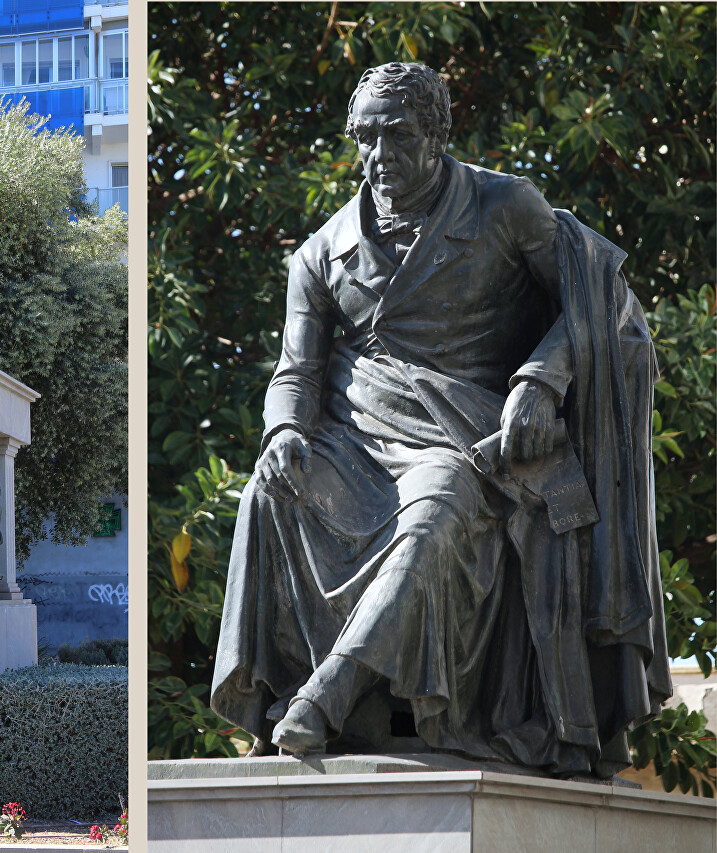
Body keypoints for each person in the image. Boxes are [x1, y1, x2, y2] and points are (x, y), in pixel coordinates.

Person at [210, 62, 670, 778]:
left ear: (436, 133)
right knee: (267, 494)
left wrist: (540, 382)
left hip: (465, 434)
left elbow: (597, 299)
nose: (377, 154)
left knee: (432, 512)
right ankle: (283, 703)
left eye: (395, 134)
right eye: (364, 137)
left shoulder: (502, 206)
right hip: (355, 436)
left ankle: (327, 694)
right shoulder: (320, 252)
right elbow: (294, 371)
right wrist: (283, 433)